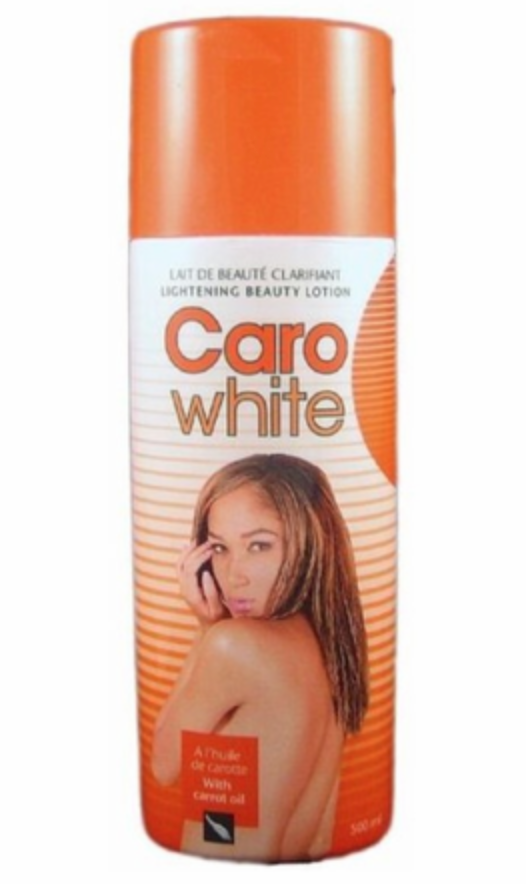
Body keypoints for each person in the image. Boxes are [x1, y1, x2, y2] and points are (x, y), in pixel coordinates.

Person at [151, 453, 368, 861]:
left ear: (310, 544)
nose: (235, 575)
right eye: (219, 547)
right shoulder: (333, 653)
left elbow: (164, 766)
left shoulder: (235, 646)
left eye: (259, 545)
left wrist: (206, 629)